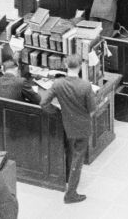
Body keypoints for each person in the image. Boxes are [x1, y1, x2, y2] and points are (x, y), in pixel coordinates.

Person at [40, 55, 96, 204]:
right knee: (78, 158)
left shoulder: (58, 83)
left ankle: (66, 179)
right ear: (80, 66)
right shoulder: (85, 86)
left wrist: (57, 112)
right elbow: (92, 110)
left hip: (66, 124)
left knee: (69, 151)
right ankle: (70, 194)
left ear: (65, 64)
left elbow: (44, 103)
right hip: (82, 127)